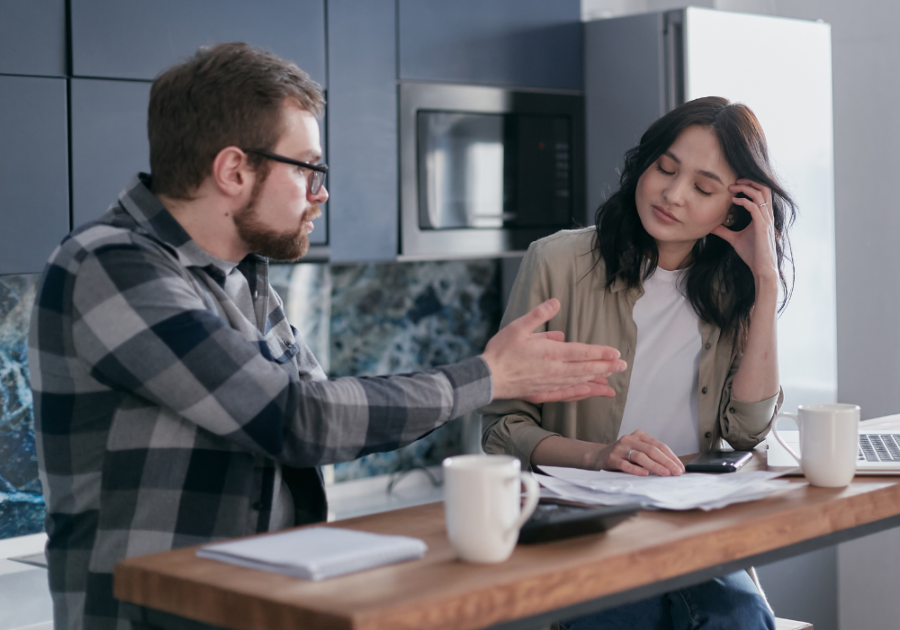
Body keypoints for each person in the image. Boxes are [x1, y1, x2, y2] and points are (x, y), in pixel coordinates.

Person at [29, 43, 628, 630]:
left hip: (255, 601)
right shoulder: (110, 266)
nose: (322, 193)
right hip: (150, 615)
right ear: (234, 170)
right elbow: (294, 418)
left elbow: (325, 419)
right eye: (310, 168)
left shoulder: (244, 277)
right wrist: (489, 377)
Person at [481, 96, 796, 629]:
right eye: (665, 169)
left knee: (741, 618)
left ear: (736, 208)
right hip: (591, 524)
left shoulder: (733, 285)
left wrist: (765, 283)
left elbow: (745, 433)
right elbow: (502, 428)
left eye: (702, 187)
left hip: (694, 524)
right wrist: (602, 455)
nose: (672, 195)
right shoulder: (558, 262)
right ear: (643, 166)